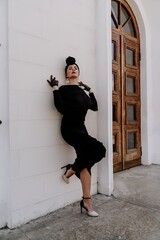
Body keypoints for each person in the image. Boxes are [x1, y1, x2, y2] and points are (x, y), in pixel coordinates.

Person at [47, 56, 106, 217]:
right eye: (70, 68)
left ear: (79, 72)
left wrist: (90, 90)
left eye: (75, 67)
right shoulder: (64, 89)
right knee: (100, 149)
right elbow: (60, 108)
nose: (73, 69)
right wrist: (55, 89)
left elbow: (94, 107)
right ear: (66, 74)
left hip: (82, 129)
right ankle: (71, 170)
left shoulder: (83, 92)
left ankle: (87, 202)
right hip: (69, 129)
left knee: (85, 164)